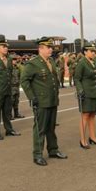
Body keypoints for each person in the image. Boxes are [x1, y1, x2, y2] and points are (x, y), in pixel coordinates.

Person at [21, 37, 67, 166]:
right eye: (49, 47)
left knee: (51, 127)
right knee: (40, 129)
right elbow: (24, 81)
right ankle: (37, 154)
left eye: (51, 47)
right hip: (41, 101)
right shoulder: (33, 63)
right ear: (40, 49)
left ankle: (53, 150)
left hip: (52, 100)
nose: (51, 49)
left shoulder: (51, 61)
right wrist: (32, 97)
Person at [74, 43, 96, 149]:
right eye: (91, 51)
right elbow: (77, 78)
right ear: (85, 52)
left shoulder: (93, 62)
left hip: (94, 91)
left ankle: (92, 137)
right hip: (86, 93)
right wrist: (80, 90)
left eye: (94, 51)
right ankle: (82, 140)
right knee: (85, 116)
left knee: (92, 115)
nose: (93, 53)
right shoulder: (82, 63)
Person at [11, 54, 24, 120]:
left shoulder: (17, 68)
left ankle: (16, 113)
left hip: (16, 86)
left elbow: (19, 76)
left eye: (15, 59)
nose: (14, 61)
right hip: (10, 87)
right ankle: (9, 115)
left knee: (16, 101)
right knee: (11, 101)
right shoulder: (8, 68)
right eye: (13, 59)